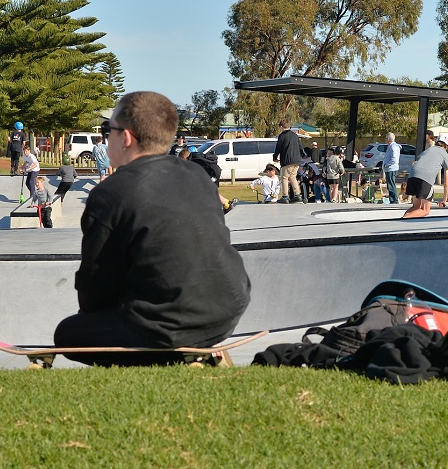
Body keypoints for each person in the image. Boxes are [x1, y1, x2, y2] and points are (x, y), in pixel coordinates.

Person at [54, 91, 251, 365]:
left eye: (108, 130)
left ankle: (169, 355)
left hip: (167, 324)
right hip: (229, 310)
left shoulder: (109, 194)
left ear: (126, 138)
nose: (106, 138)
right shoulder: (197, 175)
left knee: (67, 333)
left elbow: (94, 289)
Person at [402, 134, 448, 219]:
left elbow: (417, 160)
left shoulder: (429, 150)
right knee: (425, 210)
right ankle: (404, 218)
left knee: (415, 207)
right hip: (425, 179)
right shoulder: (445, 155)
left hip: (412, 175)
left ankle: (403, 220)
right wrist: (444, 200)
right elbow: (446, 182)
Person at [272, 120, 303, 203]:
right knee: (293, 177)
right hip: (296, 160)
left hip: (287, 160)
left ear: (281, 127)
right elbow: (300, 147)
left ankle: (285, 196)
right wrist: (303, 155)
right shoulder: (295, 135)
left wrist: (275, 157)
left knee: (284, 178)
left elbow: (278, 148)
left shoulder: (282, 136)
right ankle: (297, 195)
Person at [382, 132, 402, 204]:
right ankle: (392, 199)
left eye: (386, 138)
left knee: (391, 185)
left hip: (391, 168)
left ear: (388, 139)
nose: (385, 140)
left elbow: (394, 159)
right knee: (390, 184)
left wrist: (386, 165)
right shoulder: (391, 146)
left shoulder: (393, 147)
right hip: (389, 169)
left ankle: (394, 200)